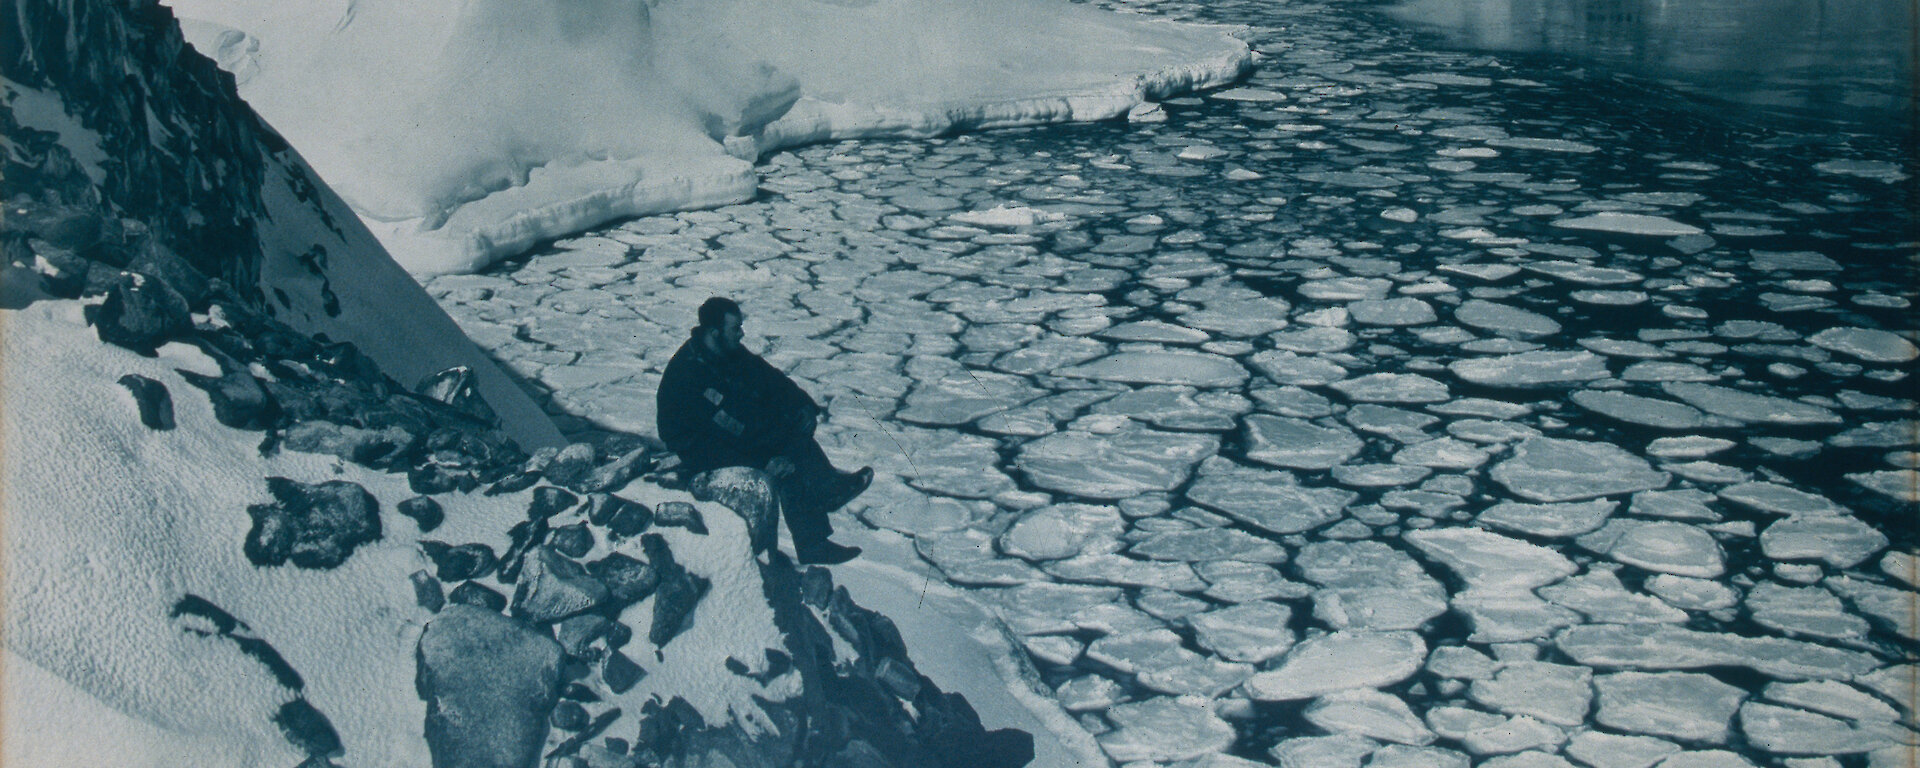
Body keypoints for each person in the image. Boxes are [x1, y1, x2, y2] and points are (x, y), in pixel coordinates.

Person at [656, 297, 871, 564]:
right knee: (784, 459)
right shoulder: (690, 374)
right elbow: (723, 431)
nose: (741, 334)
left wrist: (803, 405)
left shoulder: (724, 349)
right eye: (735, 328)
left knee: (792, 435)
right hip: (698, 446)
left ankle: (825, 502)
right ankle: (816, 532)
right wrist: (763, 461)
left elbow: (770, 379)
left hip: (725, 429)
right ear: (714, 332)